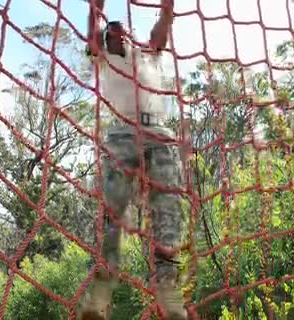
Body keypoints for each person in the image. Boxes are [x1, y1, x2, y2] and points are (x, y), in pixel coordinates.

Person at [77, 0, 189, 319]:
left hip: (158, 131)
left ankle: (168, 287)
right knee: (111, 213)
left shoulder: (148, 52)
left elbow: (162, 27)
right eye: (111, 31)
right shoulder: (103, 58)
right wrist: (95, 8)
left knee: (168, 209)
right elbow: (93, 27)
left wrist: (167, 8)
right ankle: (99, 292)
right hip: (121, 132)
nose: (118, 33)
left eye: (122, 30)